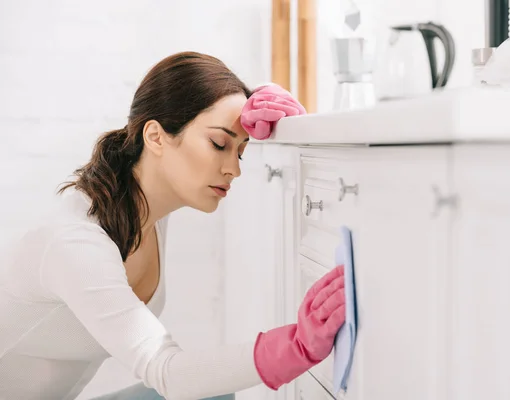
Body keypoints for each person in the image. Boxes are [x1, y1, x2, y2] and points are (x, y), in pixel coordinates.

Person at [0, 51, 346, 400]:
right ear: (155, 136)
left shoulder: (147, 211)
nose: (234, 170)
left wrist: (279, 116)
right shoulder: (75, 245)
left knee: (217, 393)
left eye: (239, 151)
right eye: (219, 144)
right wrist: (296, 347)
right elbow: (170, 373)